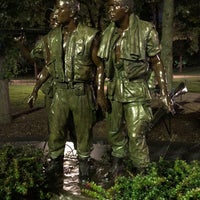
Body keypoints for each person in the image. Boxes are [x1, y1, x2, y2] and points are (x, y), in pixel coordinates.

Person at [27, 0, 108, 188]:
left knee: (83, 132)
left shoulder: (90, 35)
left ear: (72, 12)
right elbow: (49, 67)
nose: (56, 12)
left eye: (60, 8)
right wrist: (35, 90)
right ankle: (55, 167)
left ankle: (85, 168)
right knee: (56, 131)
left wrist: (100, 94)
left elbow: (99, 66)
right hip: (59, 93)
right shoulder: (51, 37)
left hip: (81, 92)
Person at [97, 0, 174, 177]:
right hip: (115, 89)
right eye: (109, 6)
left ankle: (142, 171)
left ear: (126, 8)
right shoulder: (108, 33)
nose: (110, 10)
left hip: (136, 89)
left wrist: (164, 93)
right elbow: (101, 66)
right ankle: (117, 165)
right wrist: (100, 92)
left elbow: (156, 62)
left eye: (114, 6)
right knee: (114, 130)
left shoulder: (146, 30)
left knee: (135, 133)